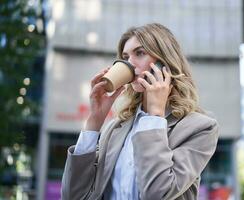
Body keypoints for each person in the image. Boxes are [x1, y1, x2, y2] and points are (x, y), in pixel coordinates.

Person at [61, 23, 219, 200]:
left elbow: (157, 193)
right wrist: (94, 122)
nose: (130, 63)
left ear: (164, 62)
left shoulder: (200, 127)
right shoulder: (115, 128)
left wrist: (155, 116)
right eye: (125, 57)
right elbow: (72, 196)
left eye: (140, 53)